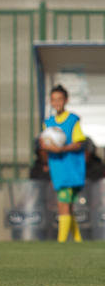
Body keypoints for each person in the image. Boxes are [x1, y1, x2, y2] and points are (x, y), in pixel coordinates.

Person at [38, 85, 86, 243]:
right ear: (50, 102)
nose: (56, 102)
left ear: (66, 100)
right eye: (53, 99)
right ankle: (78, 240)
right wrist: (45, 148)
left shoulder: (73, 120)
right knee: (68, 206)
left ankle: (61, 242)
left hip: (71, 168)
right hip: (57, 168)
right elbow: (44, 145)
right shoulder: (48, 123)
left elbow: (79, 143)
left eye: (60, 99)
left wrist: (61, 148)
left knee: (63, 204)